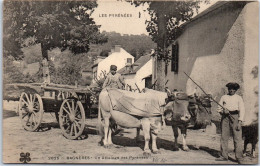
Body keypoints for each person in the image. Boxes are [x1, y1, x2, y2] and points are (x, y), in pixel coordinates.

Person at [216, 82, 245, 164]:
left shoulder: (239, 98)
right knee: (224, 137)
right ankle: (224, 156)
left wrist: (240, 122)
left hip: (235, 117)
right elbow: (219, 108)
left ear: (236, 90)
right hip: (225, 118)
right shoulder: (224, 97)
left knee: (237, 138)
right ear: (228, 89)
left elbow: (242, 110)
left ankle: (239, 157)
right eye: (230, 89)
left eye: (233, 89)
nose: (231, 90)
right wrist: (222, 112)